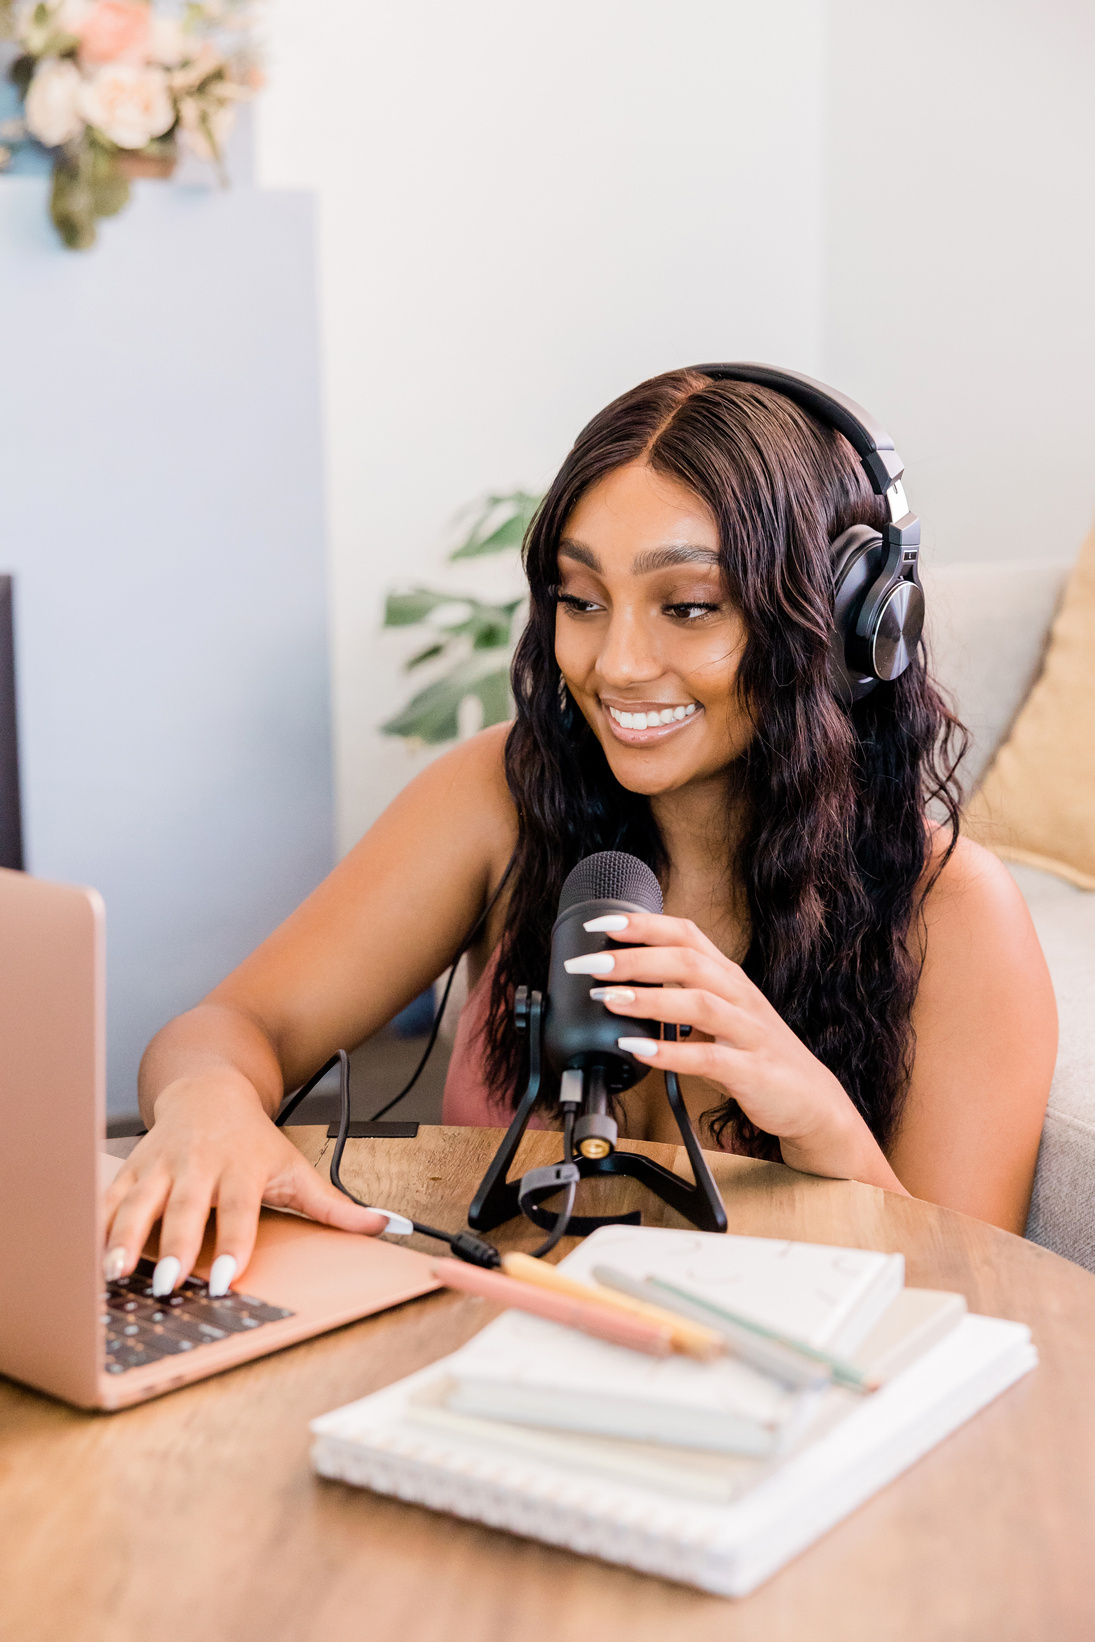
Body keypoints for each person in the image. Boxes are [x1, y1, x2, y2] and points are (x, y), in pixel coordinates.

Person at [103, 369, 1057, 1299]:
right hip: (479, 1345)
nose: (616, 663)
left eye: (687, 606)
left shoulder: (955, 915)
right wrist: (207, 1104)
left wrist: (820, 1127)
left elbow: (965, 1313)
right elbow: (231, 1028)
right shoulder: (503, 793)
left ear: (848, 623)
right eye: (581, 600)